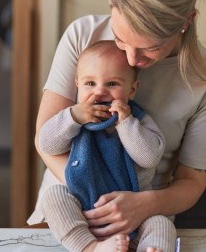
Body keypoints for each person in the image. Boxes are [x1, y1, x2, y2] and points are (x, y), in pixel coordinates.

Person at [28, 0, 206, 251]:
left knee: (161, 227)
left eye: (151, 47)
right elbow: (44, 139)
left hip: (142, 210)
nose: (133, 60)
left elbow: (192, 182)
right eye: (119, 38)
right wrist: (93, 193)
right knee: (55, 199)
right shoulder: (83, 35)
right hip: (71, 201)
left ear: (186, 21)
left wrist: (141, 206)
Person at [38, 40, 175, 251]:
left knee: (161, 223)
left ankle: (152, 247)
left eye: (112, 84)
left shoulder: (137, 121)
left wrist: (125, 123)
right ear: (77, 84)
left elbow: (149, 158)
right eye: (90, 84)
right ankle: (90, 247)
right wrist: (73, 117)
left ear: (132, 90)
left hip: (132, 214)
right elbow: (46, 143)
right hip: (82, 211)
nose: (100, 92)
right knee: (54, 197)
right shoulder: (73, 117)